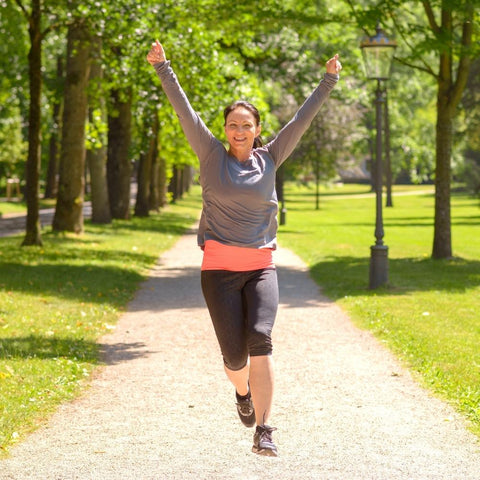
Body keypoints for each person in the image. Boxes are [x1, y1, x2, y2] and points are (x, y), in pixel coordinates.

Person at [147, 39, 341, 457]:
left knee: (260, 340)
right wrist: (164, 68)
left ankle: (266, 429)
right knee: (235, 360)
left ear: (257, 129)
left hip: (260, 267)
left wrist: (328, 81)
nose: (239, 131)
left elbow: (301, 121)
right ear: (225, 129)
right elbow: (185, 111)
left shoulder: (271, 157)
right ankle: (242, 395)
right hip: (218, 271)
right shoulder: (210, 153)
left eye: (246, 125)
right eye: (233, 124)